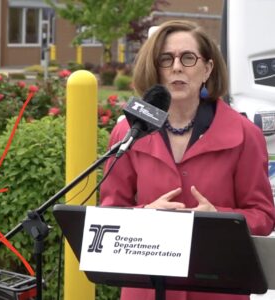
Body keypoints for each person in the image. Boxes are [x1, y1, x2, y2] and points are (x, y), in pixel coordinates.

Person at [100, 20, 275, 300]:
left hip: (217, 287)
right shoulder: (128, 131)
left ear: (207, 69)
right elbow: (110, 210)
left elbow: (263, 216)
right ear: (155, 69)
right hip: (146, 288)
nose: (177, 67)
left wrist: (219, 219)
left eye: (188, 58)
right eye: (166, 59)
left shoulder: (245, 135)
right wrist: (144, 215)